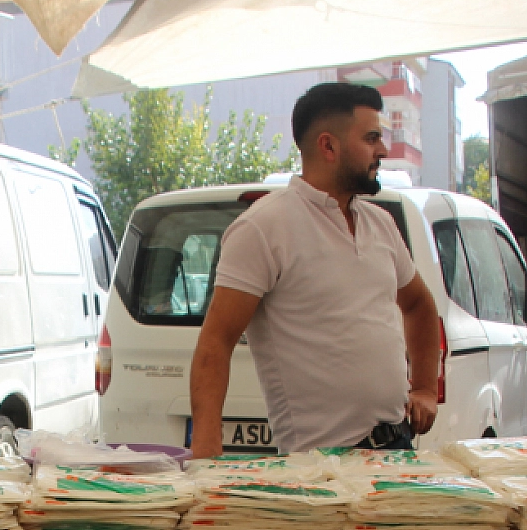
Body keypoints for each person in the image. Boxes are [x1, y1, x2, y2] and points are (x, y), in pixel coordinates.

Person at [189, 82, 443, 458]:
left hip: (396, 448)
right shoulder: (264, 227)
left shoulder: (381, 223)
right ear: (328, 146)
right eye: (371, 138)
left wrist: (424, 388)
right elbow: (215, 344)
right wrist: (206, 458)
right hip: (318, 468)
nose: (383, 151)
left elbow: (420, 306)